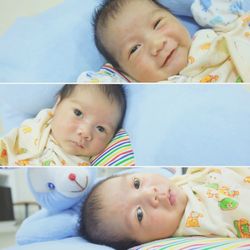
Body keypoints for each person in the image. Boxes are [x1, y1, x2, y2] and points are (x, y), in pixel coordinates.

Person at [78, 168, 250, 249]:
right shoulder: (201, 226)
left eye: (136, 183)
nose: (150, 194)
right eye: (139, 214)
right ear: (143, 242)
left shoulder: (180, 180)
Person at [88, 0, 250, 83]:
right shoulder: (166, 91)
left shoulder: (212, 33)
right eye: (134, 49)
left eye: (158, 23)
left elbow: (239, 21)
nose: (157, 44)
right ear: (125, 73)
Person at [0, 84, 126, 166]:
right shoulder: (37, 125)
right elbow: (9, 142)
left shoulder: (83, 168)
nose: (85, 132)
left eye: (101, 128)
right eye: (78, 113)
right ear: (57, 104)